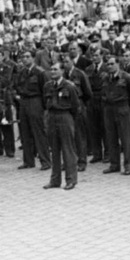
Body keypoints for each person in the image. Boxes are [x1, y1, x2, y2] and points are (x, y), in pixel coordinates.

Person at [42, 62, 80, 190]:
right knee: (54, 150)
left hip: (65, 117)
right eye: (51, 69)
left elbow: (75, 106)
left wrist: (69, 119)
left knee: (68, 150)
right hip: (52, 117)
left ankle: (71, 180)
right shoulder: (47, 86)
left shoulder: (69, 86)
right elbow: (44, 102)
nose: (52, 72)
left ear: (62, 71)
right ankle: (55, 180)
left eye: (55, 69)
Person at [101, 55, 130, 175]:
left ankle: (128, 165)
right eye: (108, 64)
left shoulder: (127, 77)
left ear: (118, 64)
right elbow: (103, 94)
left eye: (112, 64)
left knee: (125, 138)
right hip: (109, 110)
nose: (110, 66)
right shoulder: (106, 78)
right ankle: (114, 164)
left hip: (123, 108)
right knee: (111, 138)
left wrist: (128, 108)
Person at [13, 50, 51, 170]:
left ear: (33, 58)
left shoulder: (40, 72)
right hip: (24, 102)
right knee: (25, 133)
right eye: (23, 57)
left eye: (28, 56)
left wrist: (44, 108)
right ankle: (28, 161)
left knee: (39, 132)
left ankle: (45, 161)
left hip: (36, 101)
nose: (25, 59)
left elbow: (45, 90)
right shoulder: (22, 72)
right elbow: (17, 86)